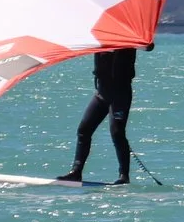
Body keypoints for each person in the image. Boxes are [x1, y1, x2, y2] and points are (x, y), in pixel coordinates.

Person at [59, 47, 138, 184]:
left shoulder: (128, 38)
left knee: (117, 133)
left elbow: (148, 46)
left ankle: (124, 176)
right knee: (84, 130)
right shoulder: (103, 36)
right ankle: (76, 172)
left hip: (120, 93)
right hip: (102, 92)